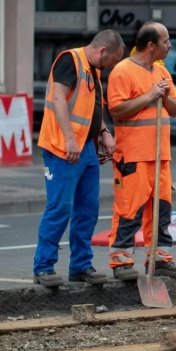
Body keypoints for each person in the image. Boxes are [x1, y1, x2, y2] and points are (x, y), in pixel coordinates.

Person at [32, 30, 126, 288]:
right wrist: (70, 139)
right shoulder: (70, 60)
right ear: (102, 51)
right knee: (59, 207)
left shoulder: (92, 69)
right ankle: (43, 267)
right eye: (113, 60)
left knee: (87, 209)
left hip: (86, 148)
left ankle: (81, 266)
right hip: (63, 148)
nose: (112, 66)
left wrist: (104, 132)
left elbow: (93, 108)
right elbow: (58, 99)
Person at [105, 22, 176, 282]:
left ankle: (160, 258)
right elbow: (116, 110)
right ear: (151, 45)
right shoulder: (123, 71)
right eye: (166, 41)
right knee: (129, 209)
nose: (170, 45)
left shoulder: (161, 72)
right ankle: (121, 261)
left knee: (161, 210)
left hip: (160, 156)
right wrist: (150, 95)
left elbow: (175, 108)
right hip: (133, 155)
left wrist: (163, 96)